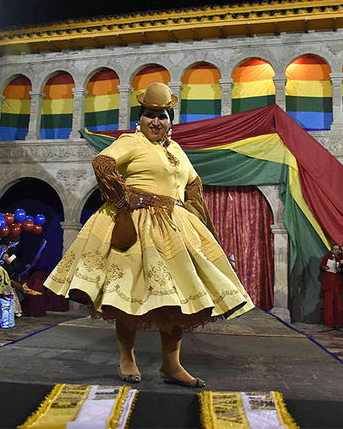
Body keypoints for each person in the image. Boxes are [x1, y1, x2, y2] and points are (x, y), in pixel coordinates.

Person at [44, 82, 253, 388]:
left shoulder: (176, 149)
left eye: (163, 116)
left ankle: (171, 365)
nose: (157, 121)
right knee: (129, 294)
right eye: (150, 115)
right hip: (137, 225)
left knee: (175, 300)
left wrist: (200, 221)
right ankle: (127, 358)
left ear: (171, 121)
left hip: (174, 227)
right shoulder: (132, 142)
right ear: (140, 119)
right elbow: (102, 162)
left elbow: (193, 184)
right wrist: (122, 197)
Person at [319, 244, 343, 328]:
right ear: (332, 250)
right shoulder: (327, 257)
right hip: (329, 282)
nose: (336, 251)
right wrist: (324, 267)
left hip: (337, 283)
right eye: (334, 249)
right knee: (328, 303)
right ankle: (329, 321)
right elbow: (321, 266)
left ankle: (338, 322)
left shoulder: (340, 258)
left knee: (338, 302)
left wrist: (340, 268)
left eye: (338, 249)